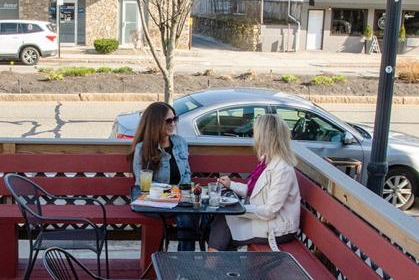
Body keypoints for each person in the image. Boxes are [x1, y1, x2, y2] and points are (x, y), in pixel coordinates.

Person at [206, 114, 302, 251]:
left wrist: (238, 209)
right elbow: (256, 191)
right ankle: (218, 266)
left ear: (265, 137)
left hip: (278, 227)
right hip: (265, 219)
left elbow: (270, 211)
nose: (254, 138)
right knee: (219, 221)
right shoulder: (267, 160)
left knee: (223, 223)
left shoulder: (283, 169)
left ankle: (211, 266)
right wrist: (231, 185)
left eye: (256, 133)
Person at [129, 101, 200, 251]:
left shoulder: (180, 142)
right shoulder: (143, 148)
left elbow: (187, 172)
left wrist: (183, 191)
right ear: (155, 123)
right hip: (155, 200)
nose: (173, 123)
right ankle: (184, 264)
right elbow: (143, 183)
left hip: (179, 197)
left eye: (175, 119)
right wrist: (171, 193)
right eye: (168, 120)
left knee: (202, 215)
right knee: (187, 216)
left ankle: (186, 263)